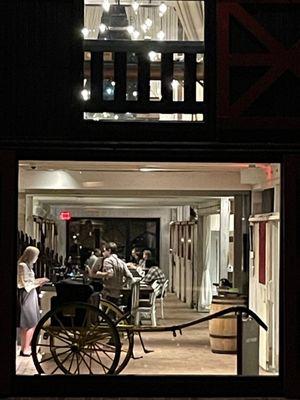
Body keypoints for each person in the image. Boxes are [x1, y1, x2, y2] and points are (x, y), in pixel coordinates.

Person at [17, 246, 49, 356]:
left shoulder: (28, 266)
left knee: (31, 322)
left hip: (31, 294)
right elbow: (25, 284)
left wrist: (39, 281)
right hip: (27, 294)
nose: (37, 258)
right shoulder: (22, 266)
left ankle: (25, 347)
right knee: (30, 323)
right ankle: (25, 348)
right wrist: (39, 282)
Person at [96, 242, 134, 306]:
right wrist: (122, 284)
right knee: (113, 313)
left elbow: (110, 274)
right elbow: (130, 277)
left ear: (109, 251)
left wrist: (96, 274)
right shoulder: (121, 262)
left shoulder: (107, 260)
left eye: (105, 251)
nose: (103, 253)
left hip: (108, 293)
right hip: (117, 294)